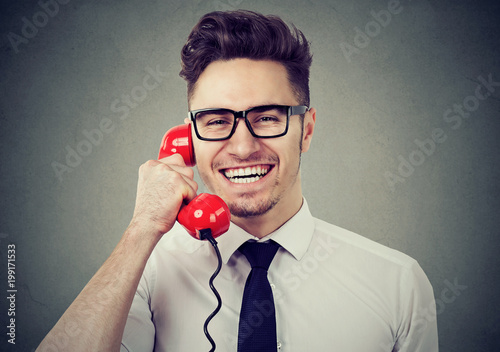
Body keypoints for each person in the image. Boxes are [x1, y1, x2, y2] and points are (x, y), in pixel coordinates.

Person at [37, 10, 438, 352]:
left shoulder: (398, 285)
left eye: (267, 117)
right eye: (217, 121)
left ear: (307, 129)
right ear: (188, 140)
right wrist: (143, 228)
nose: (243, 147)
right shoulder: (146, 274)